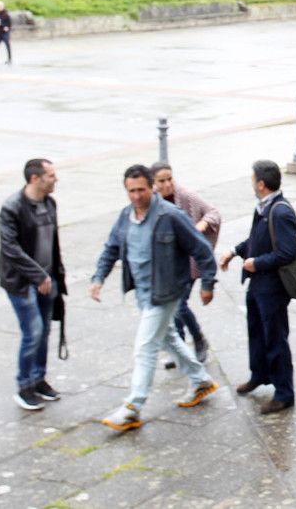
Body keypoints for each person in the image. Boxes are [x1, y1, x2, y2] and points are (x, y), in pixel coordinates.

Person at [91, 165, 219, 431]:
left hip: (167, 290)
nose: (136, 196)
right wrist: (98, 278)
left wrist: (208, 283)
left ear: (152, 188)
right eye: (131, 191)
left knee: (145, 347)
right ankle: (200, 380)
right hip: (143, 291)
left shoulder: (170, 216)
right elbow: (112, 247)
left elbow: (201, 248)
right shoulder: (126, 216)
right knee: (168, 337)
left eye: (141, 190)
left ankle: (132, 407)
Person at [219, 160, 296, 415]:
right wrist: (235, 252)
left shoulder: (281, 211)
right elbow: (256, 239)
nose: (252, 184)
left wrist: (257, 263)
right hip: (258, 285)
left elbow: (287, 252)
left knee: (276, 339)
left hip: (273, 288)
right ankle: (259, 375)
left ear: (261, 185)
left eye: (253, 180)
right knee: (256, 332)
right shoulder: (265, 207)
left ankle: (284, 394)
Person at [0, 158, 67, 411]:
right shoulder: (12, 208)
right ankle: (24, 384)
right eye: (50, 175)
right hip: (23, 282)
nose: (55, 179)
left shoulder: (50, 203)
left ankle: (39, 379)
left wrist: (56, 275)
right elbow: (11, 249)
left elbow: (53, 243)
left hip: (48, 279)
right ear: (35, 179)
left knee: (45, 330)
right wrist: (39, 276)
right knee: (33, 331)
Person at [151, 162, 221, 364]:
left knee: (178, 306)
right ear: (153, 183)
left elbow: (213, 212)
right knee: (172, 308)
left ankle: (199, 338)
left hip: (188, 262)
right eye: (161, 181)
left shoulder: (186, 196)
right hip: (167, 264)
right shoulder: (152, 200)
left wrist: (201, 224)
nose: (167, 185)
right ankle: (180, 350)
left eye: (169, 179)